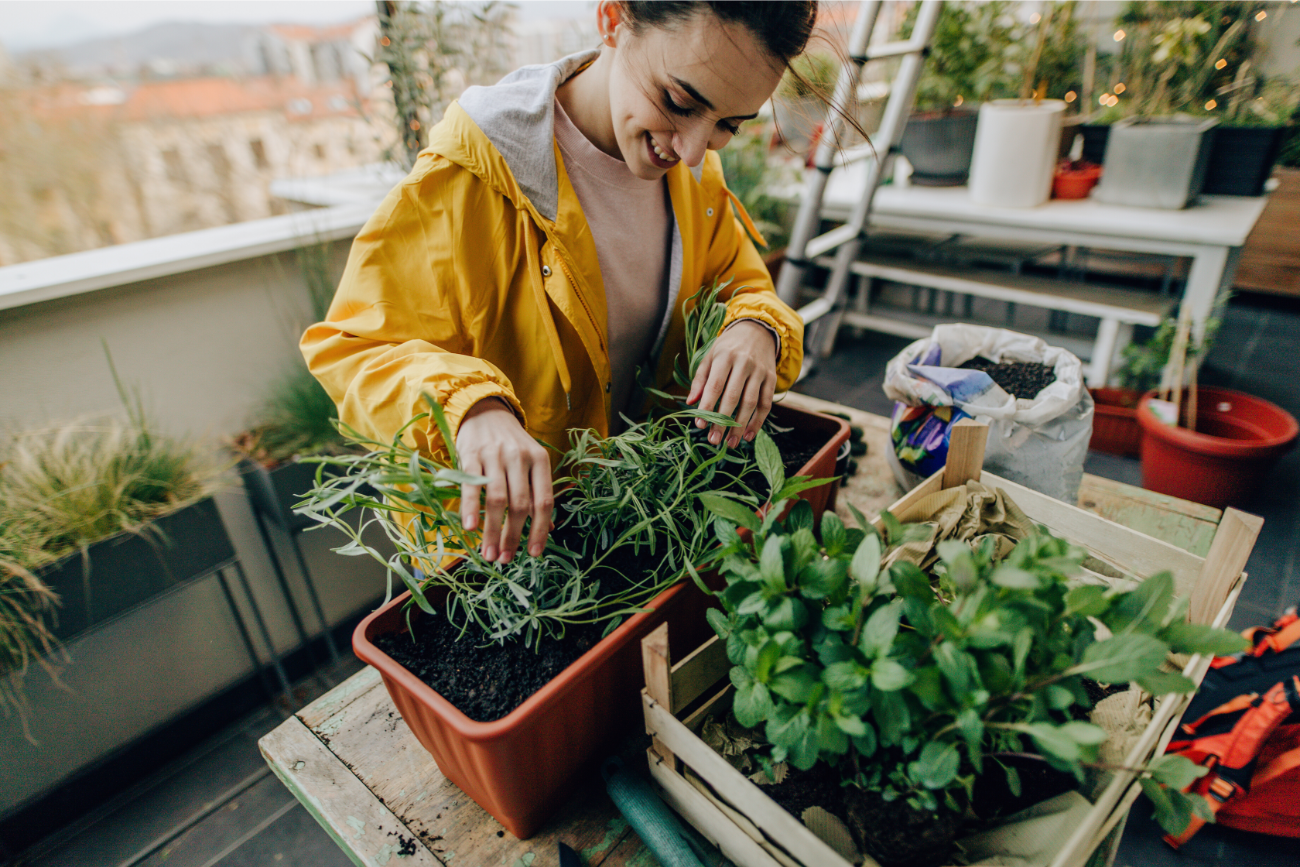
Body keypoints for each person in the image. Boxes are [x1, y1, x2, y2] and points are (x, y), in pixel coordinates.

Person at [302, 1, 823, 570]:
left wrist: (757, 327)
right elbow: (353, 349)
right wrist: (470, 408)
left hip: (640, 534)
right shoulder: (470, 175)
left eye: (729, 125)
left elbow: (740, 283)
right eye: (679, 102)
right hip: (508, 568)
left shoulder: (694, 175)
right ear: (613, 20)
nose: (694, 150)